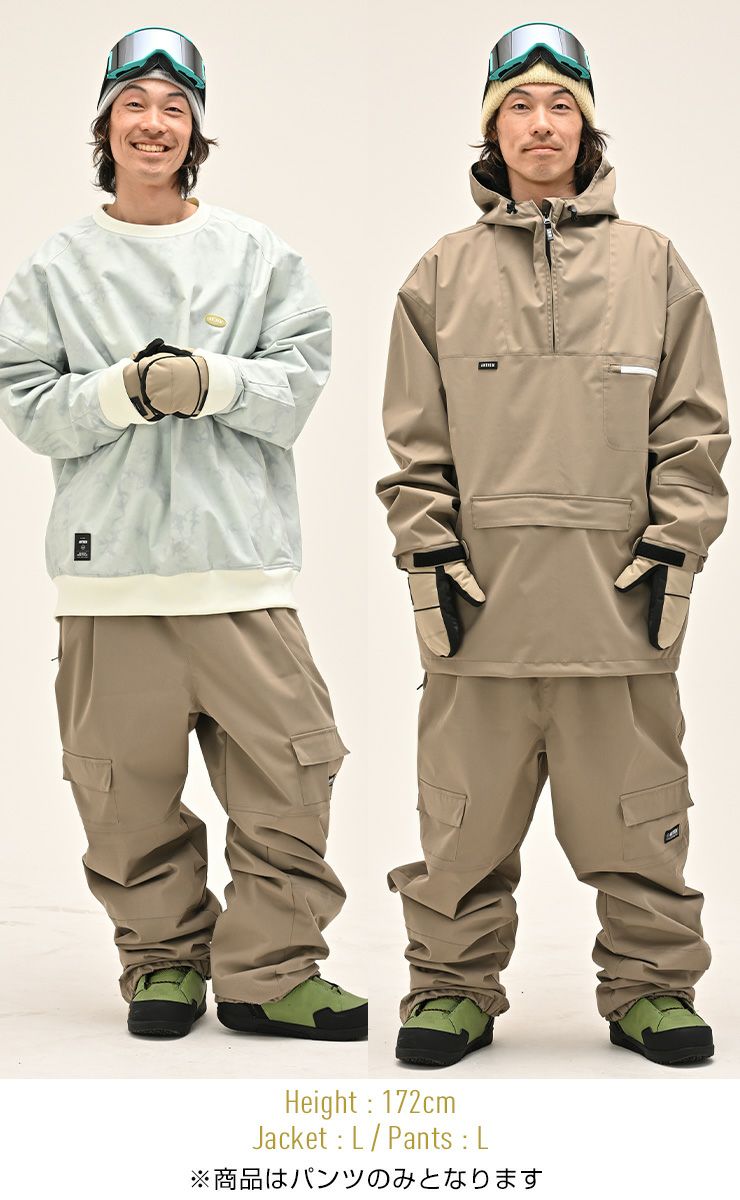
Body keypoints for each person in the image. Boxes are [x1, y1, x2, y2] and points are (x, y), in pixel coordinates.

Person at [0, 26, 366, 1042]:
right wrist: (120, 392)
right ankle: (161, 963)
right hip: (110, 580)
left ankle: (271, 974)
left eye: (174, 107)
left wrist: (212, 380)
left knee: (291, 776)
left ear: (196, 130)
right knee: (124, 796)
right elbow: (25, 404)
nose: (153, 124)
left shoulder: (257, 257)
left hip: (239, 575)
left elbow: (298, 384)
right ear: (105, 125)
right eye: (135, 104)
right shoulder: (56, 269)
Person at [376, 21, 729, 1068]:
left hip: (618, 610)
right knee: (461, 831)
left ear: (586, 126)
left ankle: (651, 987)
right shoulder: (440, 274)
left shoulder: (652, 264)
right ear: (492, 129)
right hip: (478, 612)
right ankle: (450, 987)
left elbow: (694, 430)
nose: (540, 123)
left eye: (560, 105)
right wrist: (428, 561)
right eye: (519, 106)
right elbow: (414, 445)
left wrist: (674, 551)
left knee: (638, 820)